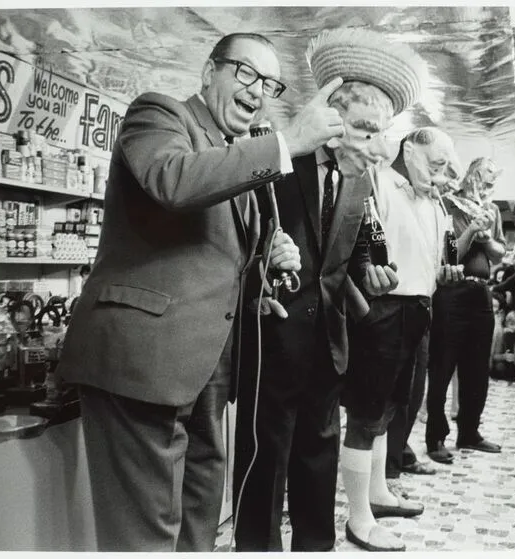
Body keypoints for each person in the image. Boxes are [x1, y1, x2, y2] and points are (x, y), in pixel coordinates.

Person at [56, 32, 343, 551]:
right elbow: (173, 182)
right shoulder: (159, 116)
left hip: (210, 372)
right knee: (144, 533)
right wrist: (287, 143)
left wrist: (261, 275)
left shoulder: (236, 156)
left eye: (270, 83)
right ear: (209, 72)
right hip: (142, 365)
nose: (258, 91)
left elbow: (214, 264)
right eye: (246, 73)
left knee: (199, 521)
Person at [232, 28, 423, 552]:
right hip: (272, 341)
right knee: (265, 466)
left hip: (328, 348)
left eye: (381, 133)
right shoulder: (273, 160)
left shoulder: (361, 181)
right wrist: (262, 264)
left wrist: (368, 273)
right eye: (365, 130)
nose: (377, 148)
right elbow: (234, 244)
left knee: (318, 464)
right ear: (331, 121)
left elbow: (353, 251)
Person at [342, 126, 463, 551]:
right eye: (436, 162)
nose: (442, 172)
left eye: (446, 165)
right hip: (385, 308)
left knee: (391, 410)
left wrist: (443, 273)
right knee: (365, 415)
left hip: (419, 308)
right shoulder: (378, 181)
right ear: (409, 149)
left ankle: (377, 492)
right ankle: (358, 518)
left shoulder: (433, 202)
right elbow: (360, 246)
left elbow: (432, 258)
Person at [425, 156, 506, 464]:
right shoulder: (448, 204)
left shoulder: (493, 209)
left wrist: (486, 237)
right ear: (471, 175)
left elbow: (499, 252)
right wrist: (473, 229)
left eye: (493, 180)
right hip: (451, 291)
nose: (489, 184)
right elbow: (450, 252)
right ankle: (435, 437)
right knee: (442, 367)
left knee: (477, 371)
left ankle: (469, 431)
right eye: (485, 177)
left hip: (481, 292)